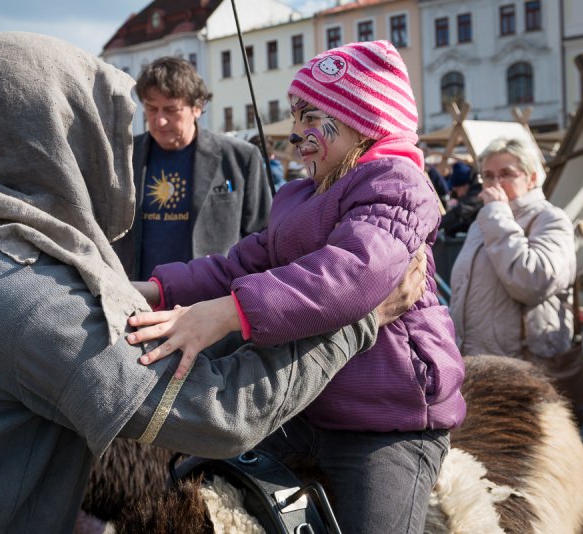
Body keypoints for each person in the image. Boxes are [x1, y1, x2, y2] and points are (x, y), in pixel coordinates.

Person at [0, 33, 425, 534]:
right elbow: (217, 412)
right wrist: (361, 321)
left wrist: (149, 292)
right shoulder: (32, 293)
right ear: (69, 140)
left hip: (380, 412)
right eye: (114, 131)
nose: (125, 148)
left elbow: (329, 265)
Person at [128, 41, 466, 533]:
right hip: (308, 407)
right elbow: (239, 263)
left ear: (363, 120)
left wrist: (227, 313)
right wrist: (152, 289)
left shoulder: (397, 185)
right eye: (295, 117)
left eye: (311, 118)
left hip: (387, 420)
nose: (296, 134)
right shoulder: (300, 196)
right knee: (192, 482)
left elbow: (351, 274)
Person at [112, 56, 271, 281]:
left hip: (211, 294)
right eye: (151, 109)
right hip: (137, 293)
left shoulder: (240, 158)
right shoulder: (123, 156)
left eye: (171, 110)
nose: (159, 120)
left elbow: (261, 237)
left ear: (197, 108)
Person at [450, 138, 578, 401]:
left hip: (522, 371)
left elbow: (533, 281)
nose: (495, 183)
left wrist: (497, 214)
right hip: (476, 366)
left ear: (532, 178)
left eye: (506, 174)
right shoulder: (483, 221)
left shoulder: (550, 218)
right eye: (488, 176)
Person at [440, 161, 483, 236]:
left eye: (457, 190)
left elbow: (460, 212)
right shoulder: (474, 189)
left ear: (465, 185)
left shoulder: (478, 193)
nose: (458, 194)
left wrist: (437, 224)